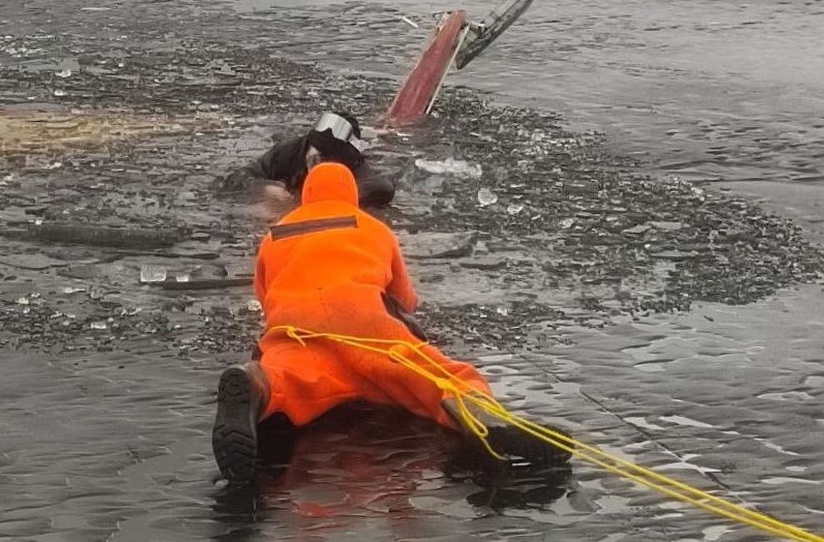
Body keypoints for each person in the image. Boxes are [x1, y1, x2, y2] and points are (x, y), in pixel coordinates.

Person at [212, 162, 572, 483]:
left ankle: (255, 386)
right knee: (436, 376)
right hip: (363, 320)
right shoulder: (373, 228)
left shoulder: (275, 235)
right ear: (352, 195)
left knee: (289, 377)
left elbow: (264, 295)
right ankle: (481, 416)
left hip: (295, 327)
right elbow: (404, 298)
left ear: (305, 196)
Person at [249, 111, 396, 208]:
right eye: (316, 160)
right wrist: (265, 188)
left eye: (330, 163)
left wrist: (342, 195)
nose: (319, 169)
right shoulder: (287, 154)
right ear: (308, 147)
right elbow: (240, 177)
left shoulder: (355, 165)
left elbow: (383, 189)